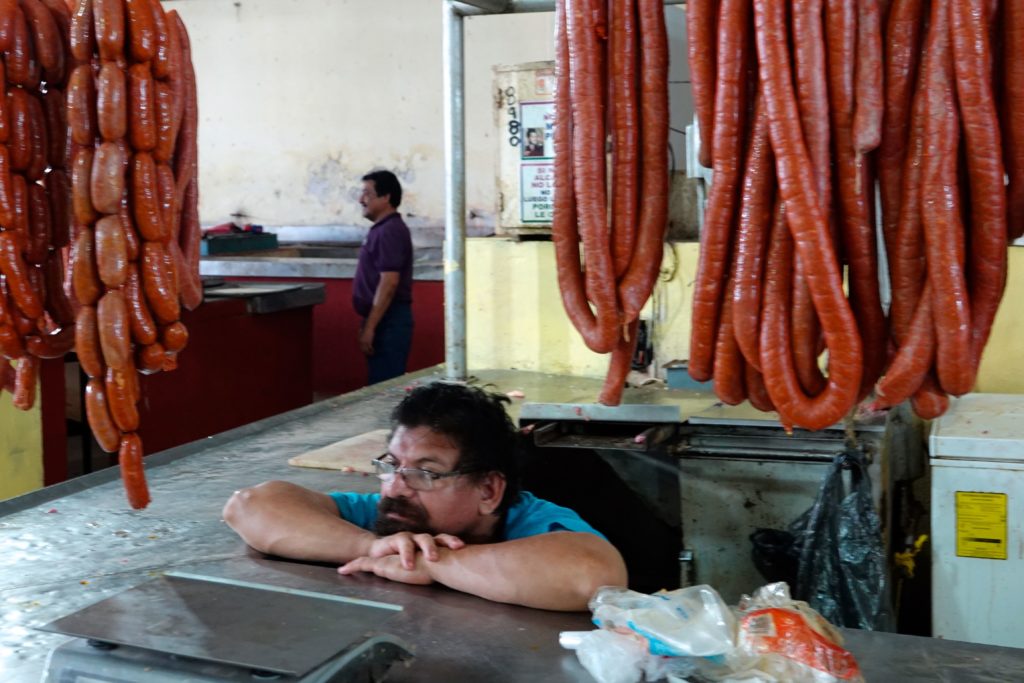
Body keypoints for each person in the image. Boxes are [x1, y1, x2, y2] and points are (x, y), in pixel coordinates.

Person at [223, 383, 628, 611]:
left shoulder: (534, 523)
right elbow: (248, 506)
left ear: (488, 490)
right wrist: (373, 545)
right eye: (391, 465)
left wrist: (436, 563)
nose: (396, 487)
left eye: (426, 473)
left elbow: (591, 575)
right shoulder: (394, 521)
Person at [352, 170, 414, 385]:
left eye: (367, 193)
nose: (361, 200)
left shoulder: (390, 231)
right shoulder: (382, 230)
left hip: (388, 320)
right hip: (383, 319)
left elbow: (389, 282)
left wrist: (370, 327)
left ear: (386, 197)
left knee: (384, 390)